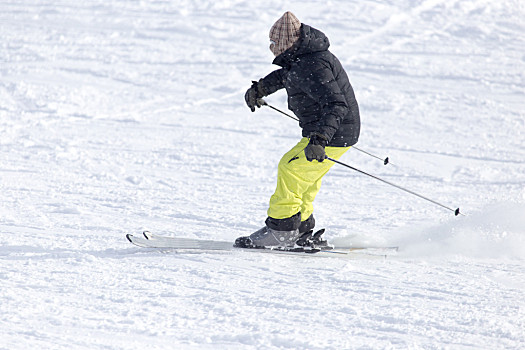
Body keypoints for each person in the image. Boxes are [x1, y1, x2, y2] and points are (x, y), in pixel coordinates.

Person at [235, 11, 360, 249]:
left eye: (274, 43)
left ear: (288, 42)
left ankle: (282, 230)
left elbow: (336, 104)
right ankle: (301, 227)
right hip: (331, 130)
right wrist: (261, 88)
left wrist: (320, 139)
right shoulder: (301, 57)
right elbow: (287, 75)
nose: (271, 48)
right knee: (304, 177)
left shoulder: (314, 64)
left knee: (290, 168)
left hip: (333, 131)